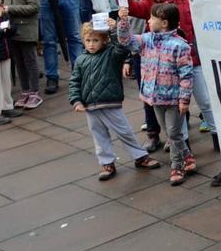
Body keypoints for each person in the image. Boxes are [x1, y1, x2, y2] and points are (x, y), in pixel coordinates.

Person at [69, 20, 162, 180]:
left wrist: (113, 30)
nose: (91, 44)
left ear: (104, 40)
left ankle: (140, 156)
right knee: (99, 136)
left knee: (124, 131)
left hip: (110, 103)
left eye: (96, 40)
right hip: (90, 106)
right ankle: (107, 163)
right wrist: (76, 100)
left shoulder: (111, 53)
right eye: (88, 40)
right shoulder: (80, 60)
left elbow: (122, 47)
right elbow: (74, 82)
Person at [116, 2, 195, 186]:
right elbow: (126, 41)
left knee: (174, 133)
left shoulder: (179, 45)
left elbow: (186, 75)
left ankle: (177, 166)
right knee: (169, 131)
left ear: (164, 23)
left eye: (152, 18)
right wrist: (123, 21)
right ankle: (188, 157)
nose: (149, 21)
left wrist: (184, 99)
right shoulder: (146, 40)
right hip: (155, 97)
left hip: (174, 99)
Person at [0, 0, 42, 109]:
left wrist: (9, 8)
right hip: (12, 29)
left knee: (30, 60)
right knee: (18, 61)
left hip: (26, 28)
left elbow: (34, 7)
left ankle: (35, 92)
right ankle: (25, 90)